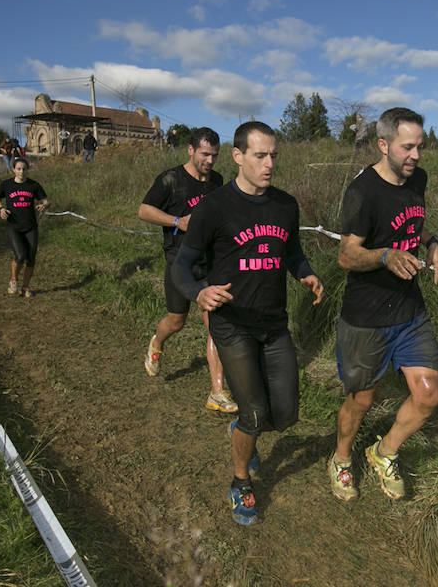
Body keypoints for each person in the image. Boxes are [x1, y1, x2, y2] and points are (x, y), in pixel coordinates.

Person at [171, 121, 323, 526]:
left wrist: (305, 273)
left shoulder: (285, 205)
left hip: (273, 323)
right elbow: (182, 267)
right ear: (238, 157)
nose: (270, 163)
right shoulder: (215, 207)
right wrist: (199, 293)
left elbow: (291, 253)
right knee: (255, 412)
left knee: (286, 415)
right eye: (260, 155)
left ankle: (242, 429)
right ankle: (241, 482)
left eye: (274, 155)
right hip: (232, 323)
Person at [328, 107, 438, 503]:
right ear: (383, 145)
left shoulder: (418, 179)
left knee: (428, 394)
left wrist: (432, 243)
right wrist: (384, 256)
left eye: (420, 147)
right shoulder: (363, 191)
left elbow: (413, 221)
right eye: (407, 147)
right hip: (366, 317)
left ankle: (384, 452)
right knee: (362, 400)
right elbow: (347, 255)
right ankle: (342, 458)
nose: (416, 156)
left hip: (409, 310)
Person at [138, 127, 238, 415]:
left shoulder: (217, 181)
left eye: (215, 155)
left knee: (214, 322)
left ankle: (217, 391)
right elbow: (144, 210)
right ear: (191, 150)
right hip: (179, 263)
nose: (210, 160)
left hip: (210, 262)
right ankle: (156, 343)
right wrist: (177, 221)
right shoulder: (170, 179)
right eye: (205, 154)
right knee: (176, 321)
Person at [0, 157, 49, 298]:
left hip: (31, 226)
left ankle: (25, 287)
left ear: (27, 170)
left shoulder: (34, 185)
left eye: (24, 169)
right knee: (20, 255)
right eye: (18, 169)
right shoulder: (6, 185)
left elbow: (46, 200)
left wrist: (44, 205)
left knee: (31, 258)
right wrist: (0, 209)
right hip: (14, 226)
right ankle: (13, 279)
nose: (21, 171)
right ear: (13, 170)